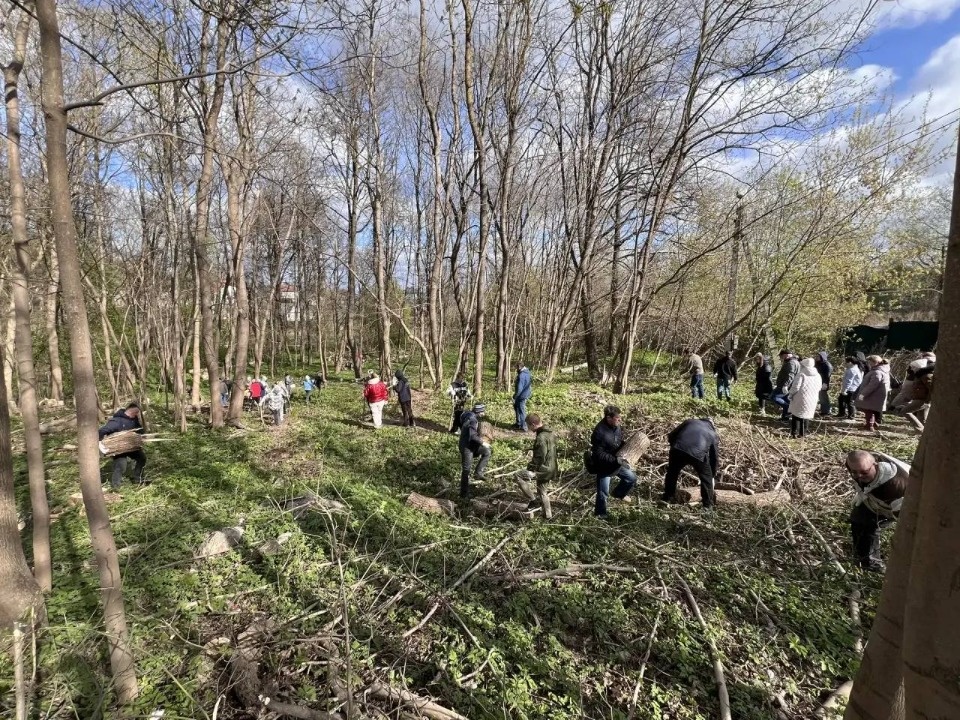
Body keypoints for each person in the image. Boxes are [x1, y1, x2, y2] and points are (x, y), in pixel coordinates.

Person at [845, 449, 907, 571]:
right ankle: (864, 561)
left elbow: (907, 523)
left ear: (875, 465)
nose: (859, 476)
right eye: (854, 473)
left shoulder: (895, 488)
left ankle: (873, 566)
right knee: (859, 519)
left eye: (864, 472)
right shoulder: (859, 467)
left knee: (869, 523)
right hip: (877, 500)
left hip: (904, 507)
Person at [590, 405, 637, 519]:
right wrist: (615, 460)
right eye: (617, 418)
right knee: (603, 492)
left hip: (617, 462)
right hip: (604, 466)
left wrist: (626, 447)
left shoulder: (616, 426)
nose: (620, 420)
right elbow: (598, 454)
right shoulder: (599, 433)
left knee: (631, 478)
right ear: (608, 418)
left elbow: (618, 440)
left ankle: (618, 494)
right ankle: (600, 514)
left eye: (620, 417)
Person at [662, 418, 718, 508]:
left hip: (678, 448)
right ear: (712, 425)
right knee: (706, 479)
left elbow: (671, 435)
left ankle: (667, 498)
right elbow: (714, 456)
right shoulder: (712, 433)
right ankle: (708, 506)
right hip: (698, 454)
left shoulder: (690, 421)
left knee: (672, 473)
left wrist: (674, 446)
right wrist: (712, 473)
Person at [98, 402, 147, 489]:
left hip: (131, 446)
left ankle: (137, 479)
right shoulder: (117, 421)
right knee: (121, 465)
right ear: (131, 412)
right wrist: (100, 442)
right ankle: (116, 487)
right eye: (135, 413)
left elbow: (139, 430)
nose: (136, 415)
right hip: (119, 449)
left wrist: (142, 435)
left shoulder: (134, 420)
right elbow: (102, 431)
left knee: (141, 458)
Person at [515, 414, 555, 519]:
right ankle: (548, 516)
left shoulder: (541, 437)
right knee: (542, 491)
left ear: (533, 425)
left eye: (528, 426)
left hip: (543, 469)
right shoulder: (549, 433)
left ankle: (533, 501)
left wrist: (530, 468)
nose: (528, 428)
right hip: (551, 468)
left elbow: (540, 456)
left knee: (518, 476)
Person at [459, 404, 491, 498]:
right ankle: (464, 494)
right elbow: (472, 436)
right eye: (483, 411)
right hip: (466, 447)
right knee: (466, 470)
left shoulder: (469, 415)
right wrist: (483, 442)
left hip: (472, 445)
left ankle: (478, 472)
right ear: (479, 412)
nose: (484, 413)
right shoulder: (472, 420)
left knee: (487, 452)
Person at [787, 358, 822, 438]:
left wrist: (790, 394)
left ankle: (794, 433)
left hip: (800, 397)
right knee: (806, 415)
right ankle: (803, 433)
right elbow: (819, 387)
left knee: (796, 415)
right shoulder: (818, 375)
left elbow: (796, 387)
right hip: (813, 398)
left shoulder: (801, 374)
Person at [855, 355, 891, 431]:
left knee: (869, 410)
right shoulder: (881, 370)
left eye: (869, 362)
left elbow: (872, 385)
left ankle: (869, 425)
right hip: (875, 396)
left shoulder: (877, 372)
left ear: (875, 362)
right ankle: (873, 423)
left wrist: (863, 394)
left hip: (873, 396)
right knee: (870, 410)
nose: (868, 363)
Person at [772, 350, 800, 421]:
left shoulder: (791, 363)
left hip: (785, 386)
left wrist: (785, 385)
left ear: (785, 355)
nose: (781, 358)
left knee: (774, 397)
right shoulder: (793, 361)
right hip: (788, 385)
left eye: (781, 356)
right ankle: (785, 417)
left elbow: (790, 375)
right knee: (785, 399)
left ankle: (788, 409)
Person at [513, 364, 532, 431]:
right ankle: (518, 423)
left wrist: (515, 396)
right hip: (525, 393)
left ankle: (524, 427)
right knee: (516, 407)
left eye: (516, 368)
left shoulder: (521, 375)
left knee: (521, 410)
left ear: (519, 367)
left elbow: (519, 388)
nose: (516, 369)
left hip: (522, 395)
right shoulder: (528, 372)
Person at [814, 351, 833, 416]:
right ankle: (823, 410)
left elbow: (827, 376)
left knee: (823, 397)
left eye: (818, 356)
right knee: (821, 397)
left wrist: (825, 384)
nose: (816, 357)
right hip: (817, 382)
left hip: (823, 383)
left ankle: (826, 411)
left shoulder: (827, 365)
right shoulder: (818, 364)